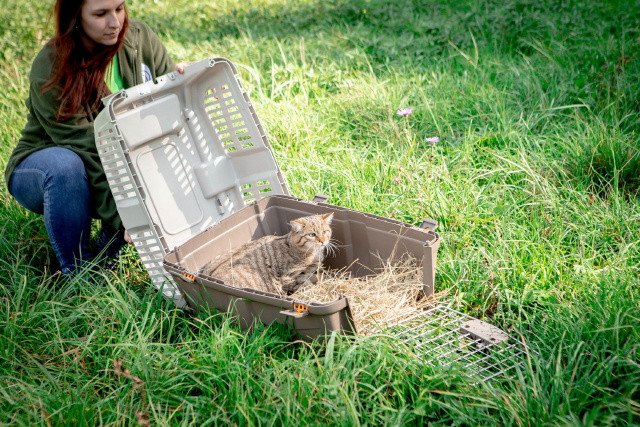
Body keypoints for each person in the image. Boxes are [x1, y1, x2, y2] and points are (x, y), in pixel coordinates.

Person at [4, 0, 189, 275]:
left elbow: (169, 110)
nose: (115, 22)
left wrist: (186, 80)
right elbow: (88, 150)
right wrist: (127, 216)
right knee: (65, 166)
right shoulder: (50, 66)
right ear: (76, 16)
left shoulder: (140, 39)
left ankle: (106, 250)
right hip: (49, 166)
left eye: (119, 8)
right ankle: (78, 272)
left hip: (119, 159)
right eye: (101, 14)